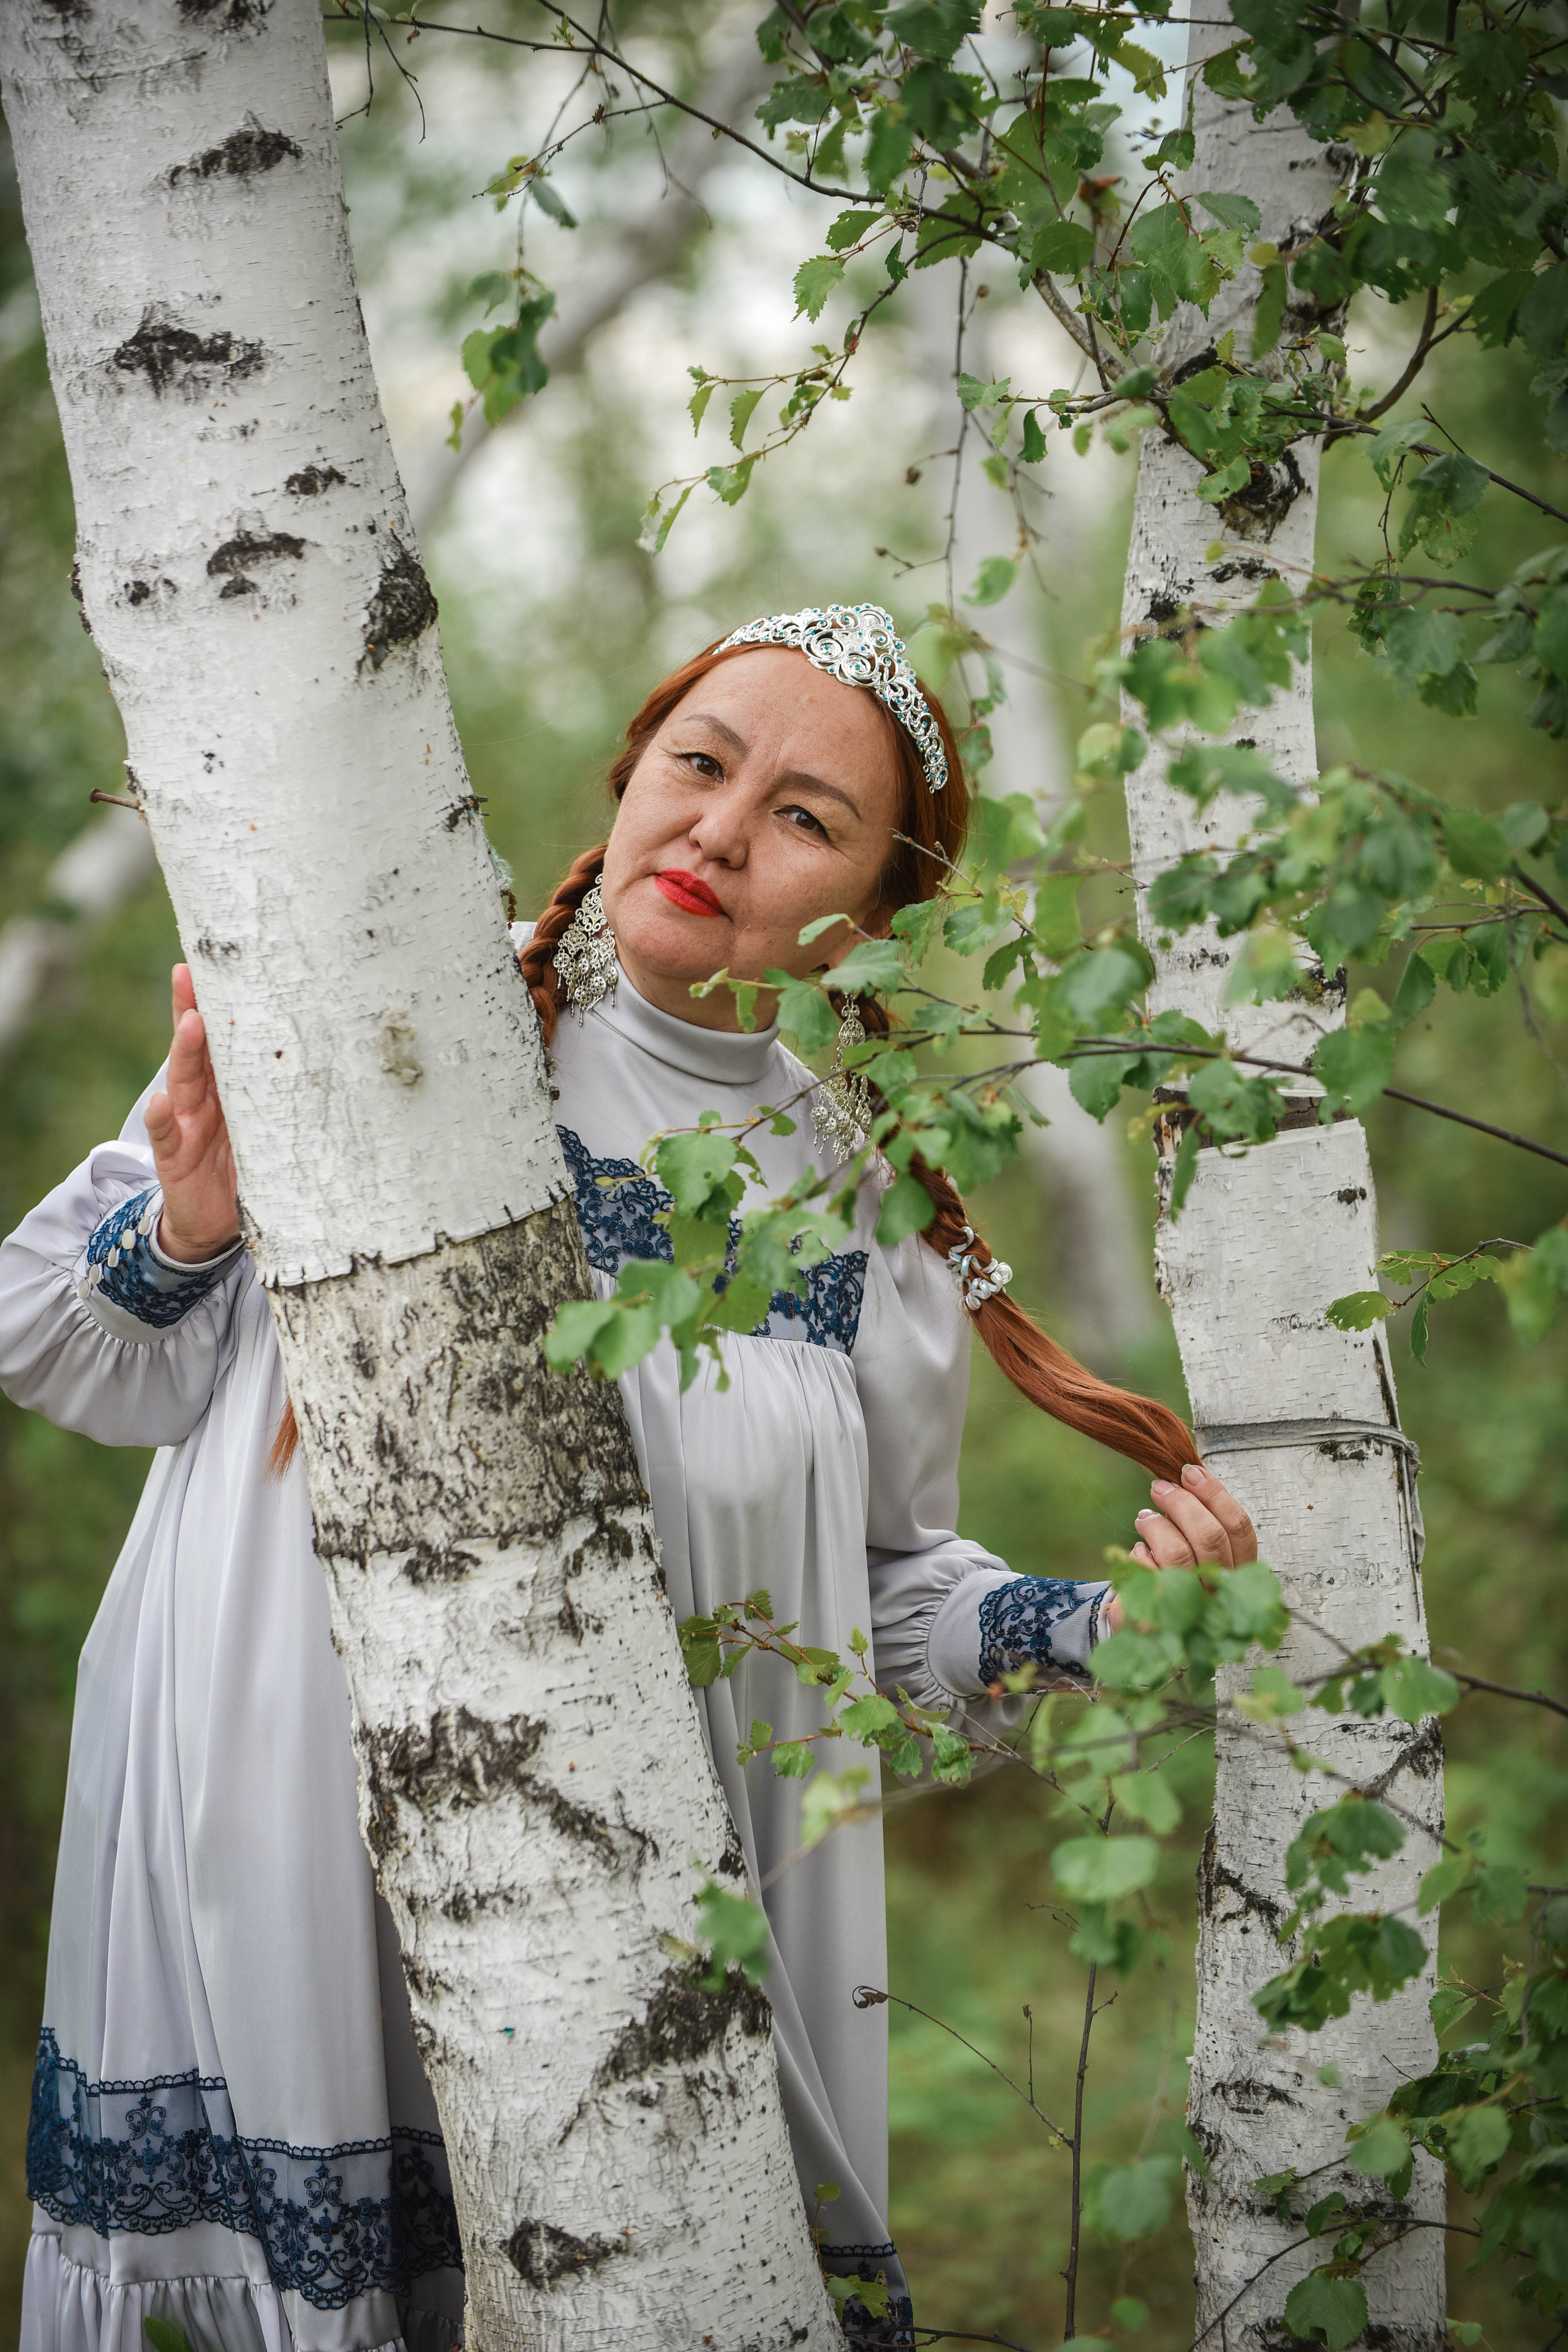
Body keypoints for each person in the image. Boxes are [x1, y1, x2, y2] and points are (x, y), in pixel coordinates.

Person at [3, 605, 1256, 2352]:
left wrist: (1104, 1622)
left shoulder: (865, 1205)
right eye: (703, 763)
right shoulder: (398, 1013)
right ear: (634, 768)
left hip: (623, 1937)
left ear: (871, 924)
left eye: (808, 818)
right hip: (259, 1832)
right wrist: (197, 1217)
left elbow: (870, 1604)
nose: (724, 834)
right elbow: (56, 1343)